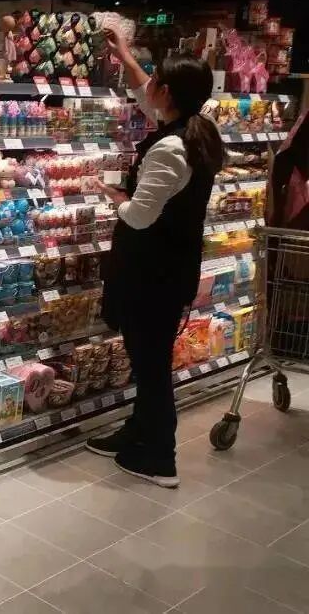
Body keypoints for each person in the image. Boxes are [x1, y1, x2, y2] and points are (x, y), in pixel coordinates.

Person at [86, 29, 225, 487]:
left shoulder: (169, 148)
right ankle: (138, 431)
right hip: (171, 267)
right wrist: (125, 55)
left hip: (152, 271)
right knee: (147, 356)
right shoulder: (197, 128)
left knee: (150, 363)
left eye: (158, 83)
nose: (151, 89)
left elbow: (141, 217)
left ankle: (160, 457)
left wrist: (114, 197)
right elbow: (145, 91)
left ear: (169, 93)